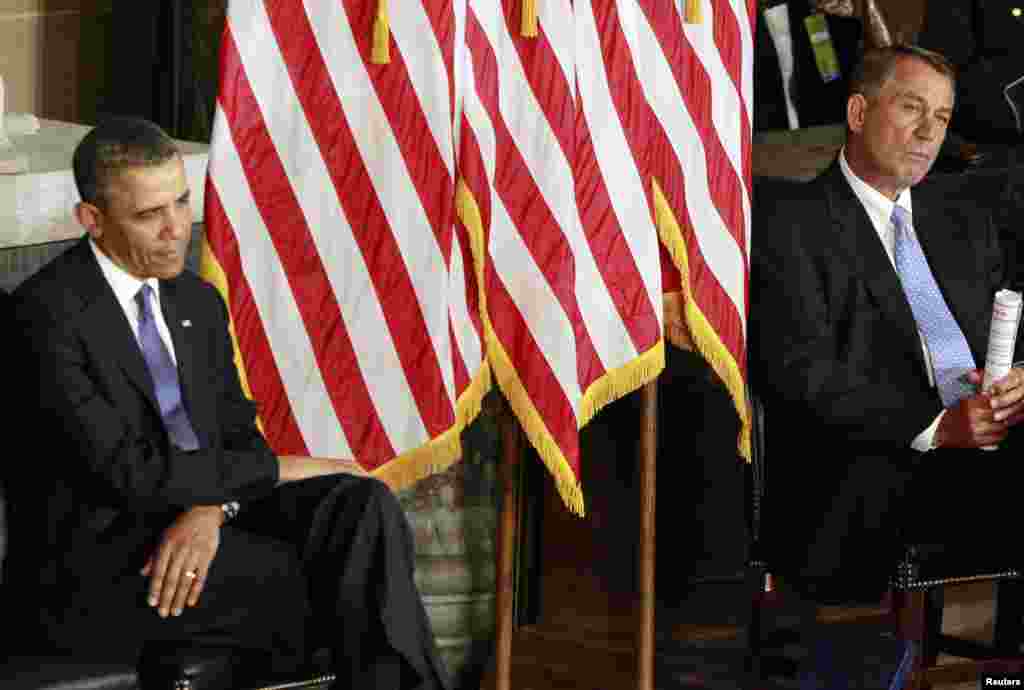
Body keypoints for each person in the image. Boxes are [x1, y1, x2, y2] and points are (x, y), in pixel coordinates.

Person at [2, 117, 449, 690]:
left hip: (196, 519)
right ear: (92, 219)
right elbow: (130, 472)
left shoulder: (197, 302)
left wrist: (210, 511)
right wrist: (277, 469)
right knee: (337, 574)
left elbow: (236, 435)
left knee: (358, 507)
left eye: (181, 202)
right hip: (101, 561)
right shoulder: (46, 316)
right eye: (149, 214)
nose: (176, 230)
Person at [751, 44, 1024, 605]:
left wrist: (1020, 375)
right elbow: (799, 373)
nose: (929, 133)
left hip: (989, 452)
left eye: (942, 117)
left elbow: (1012, 322)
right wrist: (938, 425)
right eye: (911, 108)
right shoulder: (790, 223)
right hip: (873, 467)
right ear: (858, 113)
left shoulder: (963, 217)